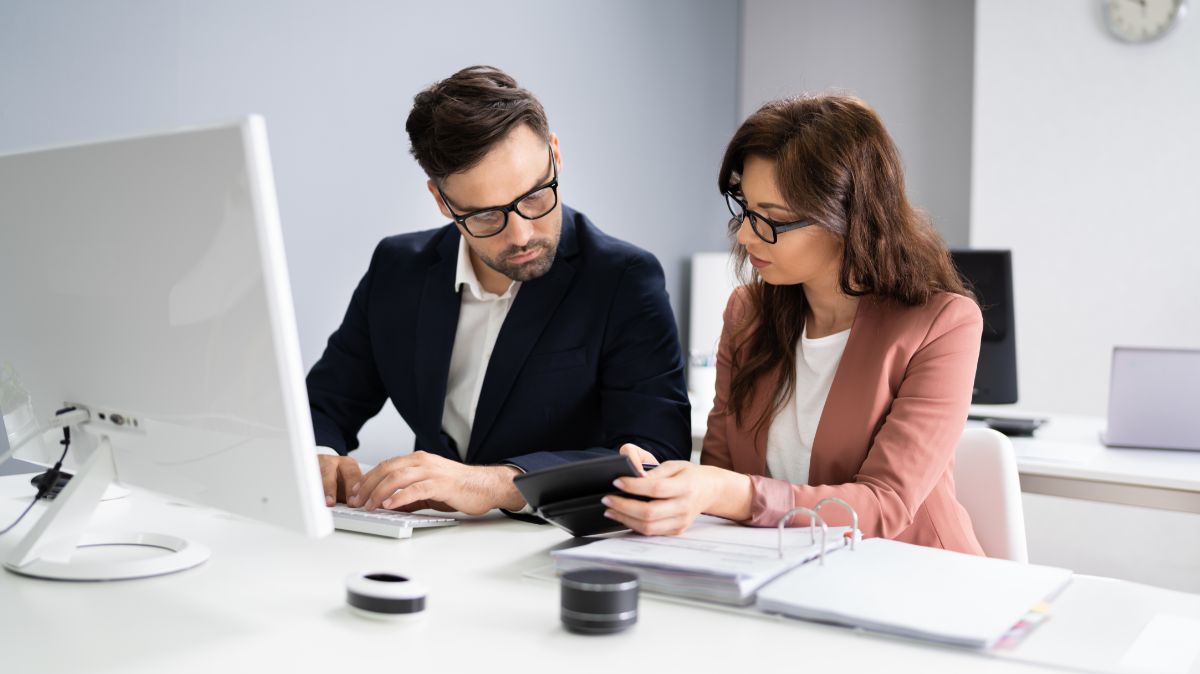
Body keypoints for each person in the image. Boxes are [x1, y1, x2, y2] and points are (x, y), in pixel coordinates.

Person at [606, 94, 985, 554]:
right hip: (782, 574)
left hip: (915, 579)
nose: (746, 235)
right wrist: (668, 485)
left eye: (774, 220)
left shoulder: (943, 324)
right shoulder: (747, 314)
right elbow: (721, 475)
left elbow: (886, 505)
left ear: (849, 218)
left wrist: (728, 493)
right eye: (746, 209)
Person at [307, 66, 690, 516]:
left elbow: (658, 454)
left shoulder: (624, 279)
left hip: (549, 549)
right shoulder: (398, 269)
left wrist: (494, 485)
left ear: (556, 155)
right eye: (486, 216)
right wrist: (319, 456)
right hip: (422, 544)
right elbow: (323, 404)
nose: (523, 233)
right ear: (441, 201)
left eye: (535, 196)